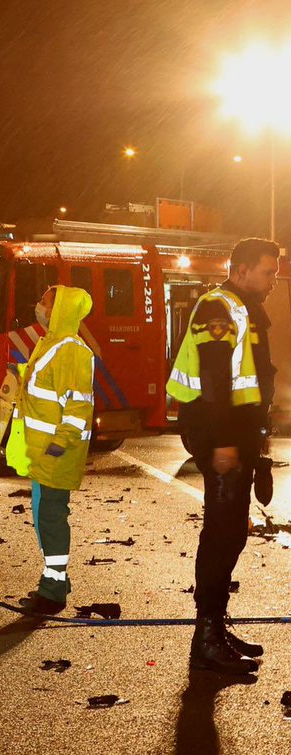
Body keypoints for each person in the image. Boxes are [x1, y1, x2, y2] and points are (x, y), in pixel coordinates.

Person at [167, 237, 279, 675]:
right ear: (241, 270)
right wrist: (224, 443)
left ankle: (215, 625)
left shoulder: (242, 306)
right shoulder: (218, 308)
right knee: (220, 533)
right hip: (221, 435)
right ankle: (207, 637)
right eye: (268, 271)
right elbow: (215, 381)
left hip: (237, 434)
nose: (273, 280)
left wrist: (258, 437)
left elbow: (250, 379)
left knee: (232, 533)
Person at [6, 285, 94, 616]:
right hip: (44, 453)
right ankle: (56, 581)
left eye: (43, 301)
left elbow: (77, 405)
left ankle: (53, 589)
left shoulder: (71, 349)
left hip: (56, 453)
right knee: (46, 517)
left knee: (52, 519)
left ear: (58, 310)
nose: (38, 305)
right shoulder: (51, 344)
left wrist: (59, 445)